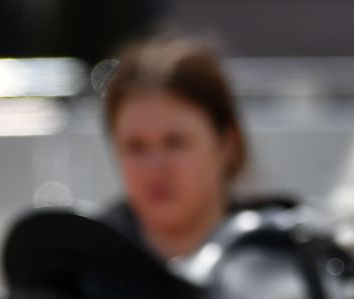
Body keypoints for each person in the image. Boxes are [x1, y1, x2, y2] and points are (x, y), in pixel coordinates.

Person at [99, 34, 252, 261]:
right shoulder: (77, 276)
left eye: (175, 143)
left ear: (227, 145)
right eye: (136, 147)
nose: (155, 166)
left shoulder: (291, 262)